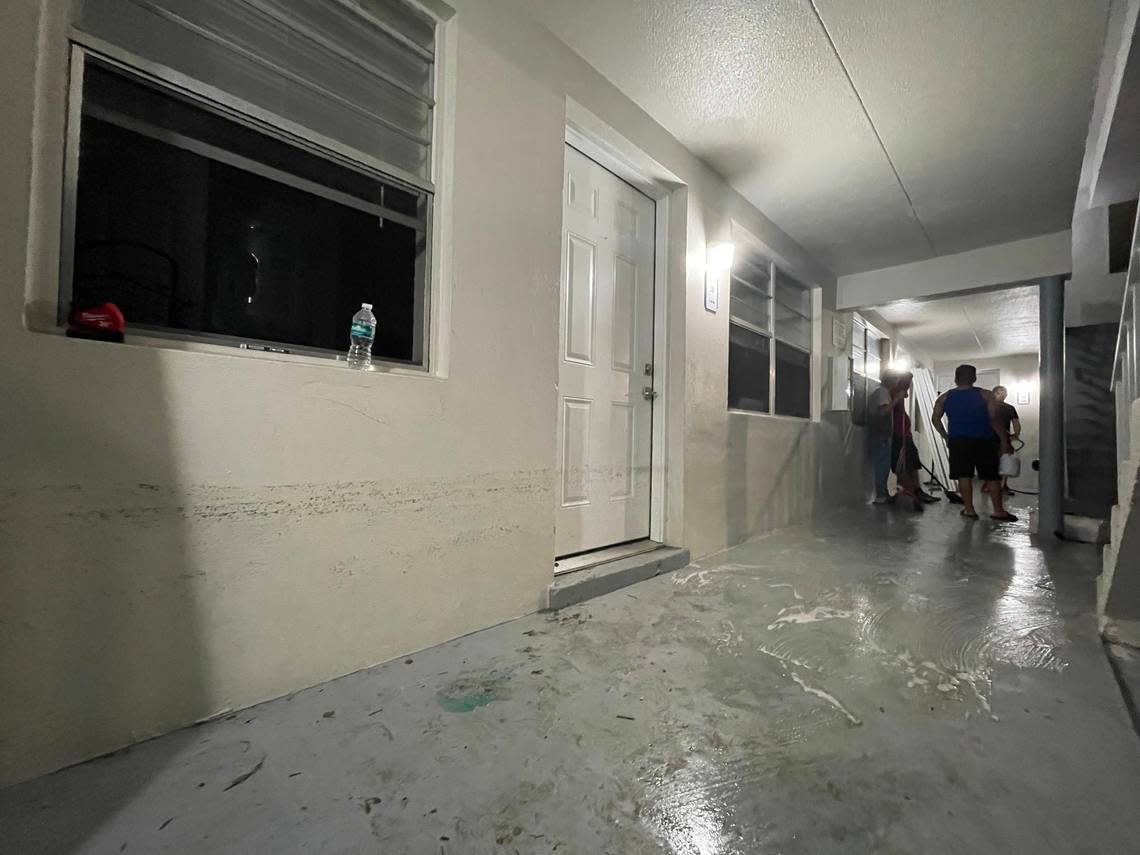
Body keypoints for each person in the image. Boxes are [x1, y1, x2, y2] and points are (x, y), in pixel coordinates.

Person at [931, 364, 1016, 522]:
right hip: (984, 440)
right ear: (974, 378)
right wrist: (1004, 440)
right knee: (991, 476)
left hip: (958, 441)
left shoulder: (944, 397)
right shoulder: (985, 395)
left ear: (956, 379)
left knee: (964, 475)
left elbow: (935, 419)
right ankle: (998, 511)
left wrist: (946, 436)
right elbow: (994, 419)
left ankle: (969, 509)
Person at [887, 371, 940, 511]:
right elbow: (893, 405)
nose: (909, 386)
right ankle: (905, 490)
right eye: (908, 382)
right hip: (898, 435)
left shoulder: (900, 392)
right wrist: (901, 392)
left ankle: (916, 490)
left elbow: (904, 395)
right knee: (901, 465)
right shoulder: (894, 392)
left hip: (906, 434)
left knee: (913, 463)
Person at [869, 372, 895, 504]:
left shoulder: (882, 392)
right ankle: (880, 495)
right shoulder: (882, 392)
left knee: (884, 465)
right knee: (882, 466)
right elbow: (884, 411)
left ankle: (883, 493)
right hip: (880, 434)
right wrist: (897, 399)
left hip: (881, 434)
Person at [992, 386, 1021, 496]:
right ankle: (1002, 486)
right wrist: (1015, 435)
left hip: (988, 439)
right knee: (1006, 462)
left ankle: (988, 485)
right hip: (1004, 438)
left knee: (989, 462)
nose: (1006, 395)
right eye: (1005, 393)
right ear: (999, 393)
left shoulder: (986, 407)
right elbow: (1016, 424)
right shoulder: (1009, 408)